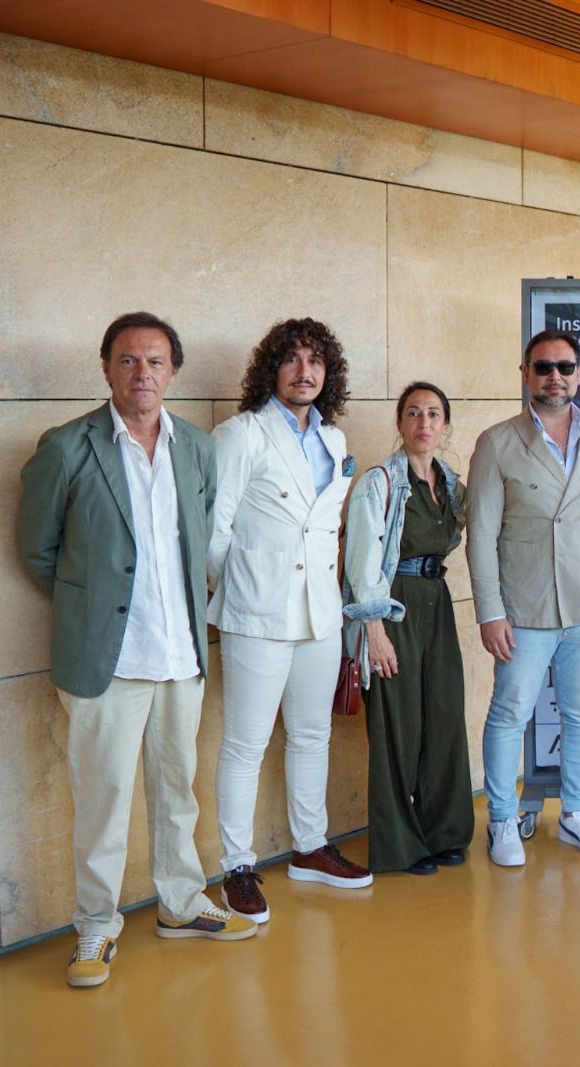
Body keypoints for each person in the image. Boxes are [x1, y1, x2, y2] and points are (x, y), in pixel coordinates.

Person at [16, 312, 255, 988]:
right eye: (127, 361)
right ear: (106, 369)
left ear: (171, 371)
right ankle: (95, 925)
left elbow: (199, 536)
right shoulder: (67, 447)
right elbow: (37, 548)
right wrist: (90, 606)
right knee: (103, 797)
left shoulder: (197, 449)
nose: (141, 373)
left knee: (179, 791)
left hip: (181, 653)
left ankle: (180, 903)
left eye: (154, 362)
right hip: (108, 660)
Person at [210, 317, 372, 925]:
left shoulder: (333, 440)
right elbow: (214, 532)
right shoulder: (240, 435)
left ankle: (309, 848)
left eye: (316, 363)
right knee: (245, 744)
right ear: (271, 369)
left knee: (312, 736)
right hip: (257, 612)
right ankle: (237, 867)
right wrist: (246, 587)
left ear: (327, 375)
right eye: (292, 361)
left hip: (319, 615)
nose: (305, 373)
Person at [468, 329, 580, 866]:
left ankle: (575, 814)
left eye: (565, 367)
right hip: (524, 609)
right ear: (525, 374)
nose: (554, 377)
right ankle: (501, 821)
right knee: (510, 712)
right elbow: (480, 534)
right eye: (543, 367)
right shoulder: (496, 442)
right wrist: (491, 612)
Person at [342, 382, 474, 875]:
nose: (424, 423)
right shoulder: (380, 483)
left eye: (434, 414)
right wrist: (373, 629)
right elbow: (361, 563)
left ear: (444, 425)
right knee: (396, 727)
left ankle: (444, 832)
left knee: (443, 717)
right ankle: (401, 846)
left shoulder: (454, 486)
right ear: (399, 423)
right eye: (414, 413)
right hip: (391, 607)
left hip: (436, 604)